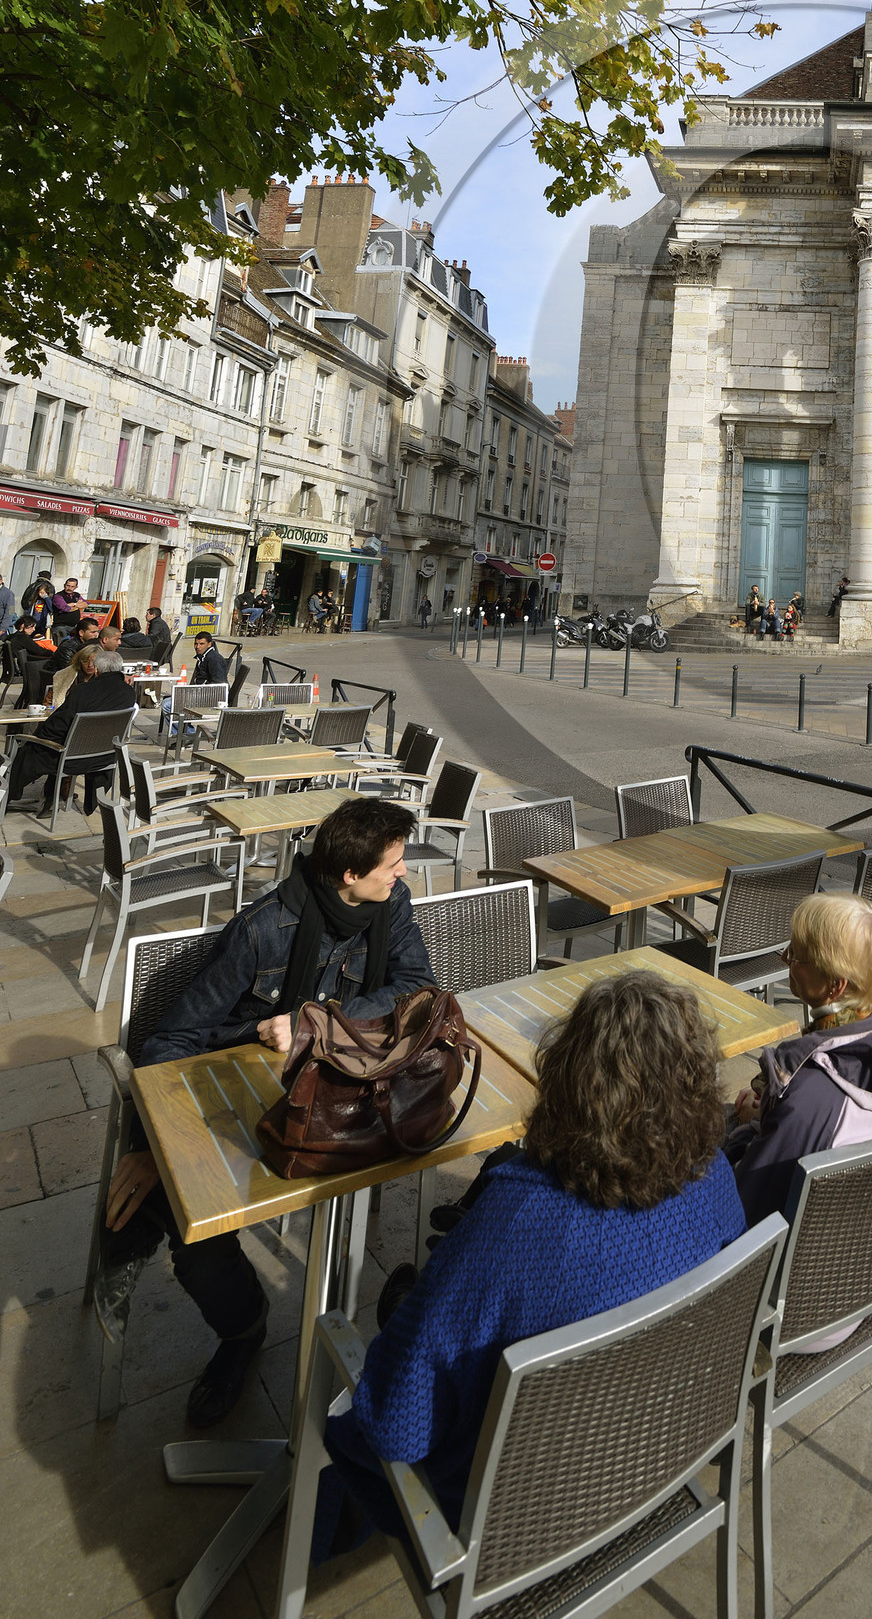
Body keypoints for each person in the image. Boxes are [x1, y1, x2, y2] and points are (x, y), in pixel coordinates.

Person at [312, 972, 746, 1556]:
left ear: (567, 1079)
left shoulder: (515, 1227)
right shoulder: (716, 1177)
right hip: (651, 1459)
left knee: (372, 1376)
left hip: (509, 1526)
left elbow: (395, 1423)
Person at [95, 799, 433, 1427]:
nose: (404, 873)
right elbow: (170, 1042)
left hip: (341, 1102)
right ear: (346, 878)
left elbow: (416, 988)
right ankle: (244, 1330)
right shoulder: (262, 929)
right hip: (247, 1097)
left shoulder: (392, 907)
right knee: (194, 1231)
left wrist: (321, 1022)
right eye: (392, 863)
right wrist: (152, 1145)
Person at [724, 894, 872, 1228]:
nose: (785, 958)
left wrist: (748, 1132)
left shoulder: (812, 1099)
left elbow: (741, 1212)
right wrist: (769, 1113)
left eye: (797, 954)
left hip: (803, 1263)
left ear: (835, 986)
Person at [8, 646, 137, 810]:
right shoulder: (128, 693)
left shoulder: (84, 691)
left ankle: (8, 795)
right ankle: (51, 794)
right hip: (105, 756)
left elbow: (59, 723)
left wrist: (39, 736)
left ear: (97, 670)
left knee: (30, 751)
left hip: (73, 758)